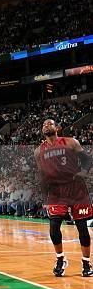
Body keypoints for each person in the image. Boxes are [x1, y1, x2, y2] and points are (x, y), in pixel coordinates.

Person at [33, 119, 93, 277]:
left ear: (57, 128)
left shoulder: (71, 142)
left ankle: (86, 262)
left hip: (75, 188)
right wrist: (43, 192)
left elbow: (87, 159)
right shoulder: (39, 151)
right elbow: (42, 174)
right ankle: (60, 259)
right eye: (44, 124)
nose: (46, 125)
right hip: (56, 191)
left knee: (82, 228)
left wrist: (84, 172)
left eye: (50, 123)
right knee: (53, 228)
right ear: (42, 130)